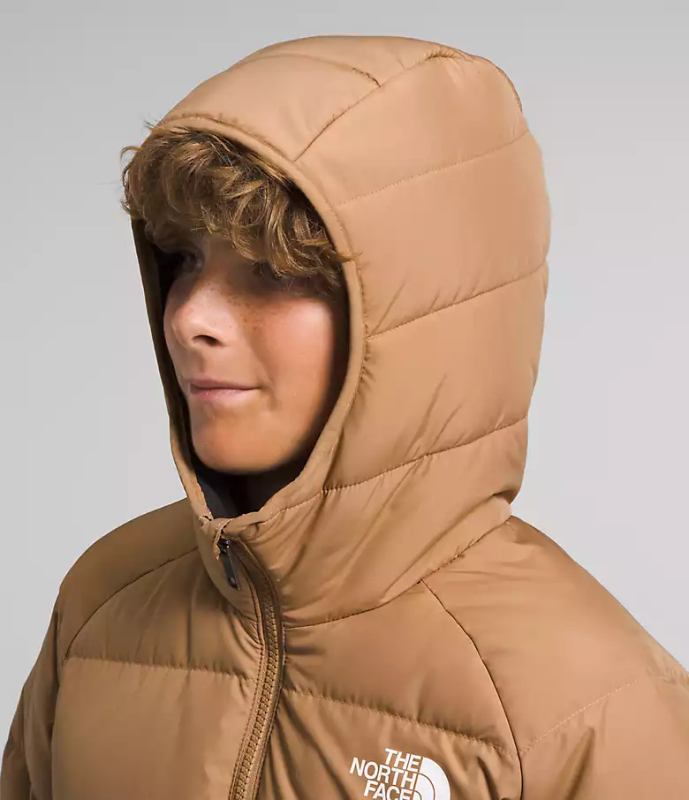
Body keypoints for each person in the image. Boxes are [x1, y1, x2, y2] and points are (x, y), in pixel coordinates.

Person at [2, 33, 688, 800]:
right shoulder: (103, 603)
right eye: (186, 260)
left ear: (412, 322)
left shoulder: (583, 704)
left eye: (270, 272)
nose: (190, 316)